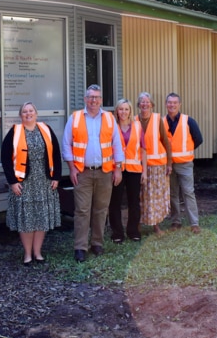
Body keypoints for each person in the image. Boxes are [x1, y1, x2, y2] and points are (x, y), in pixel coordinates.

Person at [62, 84, 124, 262]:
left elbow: (117, 145)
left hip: (105, 171)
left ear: (101, 100)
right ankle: (80, 247)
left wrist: (118, 168)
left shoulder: (110, 119)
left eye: (97, 97)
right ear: (85, 99)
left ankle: (97, 243)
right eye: (90, 97)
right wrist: (72, 168)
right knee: (82, 210)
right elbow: (66, 144)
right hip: (82, 172)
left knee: (100, 210)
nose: (94, 100)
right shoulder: (75, 118)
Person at [1, 101, 62, 266]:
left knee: (41, 218)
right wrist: (12, 182)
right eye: (25, 112)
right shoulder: (15, 132)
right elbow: (5, 159)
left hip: (44, 182)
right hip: (23, 184)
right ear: (21, 115)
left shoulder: (46, 130)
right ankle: (27, 254)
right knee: (26, 219)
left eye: (31, 111)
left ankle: (38, 252)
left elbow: (56, 154)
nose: (28, 114)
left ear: (36, 113)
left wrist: (56, 177)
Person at [163, 92, 204, 234]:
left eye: (175, 102)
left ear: (179, 104)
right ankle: (176, 221)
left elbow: (198, 139)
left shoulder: (188, 121)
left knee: (188, 192)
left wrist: (187, 151)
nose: (172, 105)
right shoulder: (162, 122)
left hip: (185, 164)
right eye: (169, 102)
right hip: (168, 165)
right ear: (166, 104)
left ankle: (194, 223)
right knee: (173, 194)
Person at [108, 99, 147, 243]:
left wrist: (145, 172)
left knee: (134, 202)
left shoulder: (137, 126)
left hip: (134, 169)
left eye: (126, 109)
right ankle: (117, 233)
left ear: (130, 111)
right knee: (115, 202)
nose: (123, 112)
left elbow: (143, 150)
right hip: (116, 169)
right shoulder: (111, 126)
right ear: (116, 111)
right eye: (121, 109)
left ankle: (133, 231)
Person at [136, 92, 173, 236]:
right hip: (139, 166)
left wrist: (169, 163)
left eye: (147, 102)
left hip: (157, 166)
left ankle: (156, 225)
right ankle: (137, 223)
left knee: (156, 197)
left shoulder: (158, 119)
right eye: (142, 102)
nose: (145, 104)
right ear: (138, 105)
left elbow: (166, 142)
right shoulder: (134, 120)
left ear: (152, 104)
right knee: (140, 196)